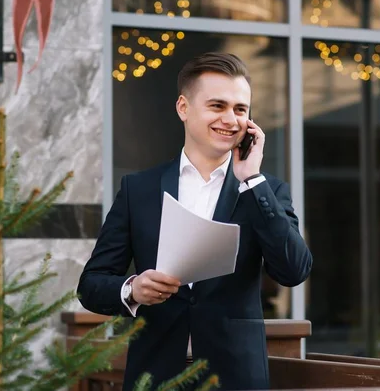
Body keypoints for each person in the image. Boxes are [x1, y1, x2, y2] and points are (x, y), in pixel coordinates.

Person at [77, 52, 313, 390]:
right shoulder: (138, 189)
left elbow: (294, 270)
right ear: (183, 108)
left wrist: (251, 179)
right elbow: (91, 284)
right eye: (217, 106)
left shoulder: (266, 190)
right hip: (154, 375)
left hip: (234, 378)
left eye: (240, 109)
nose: (230, 119)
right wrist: (133, 289)